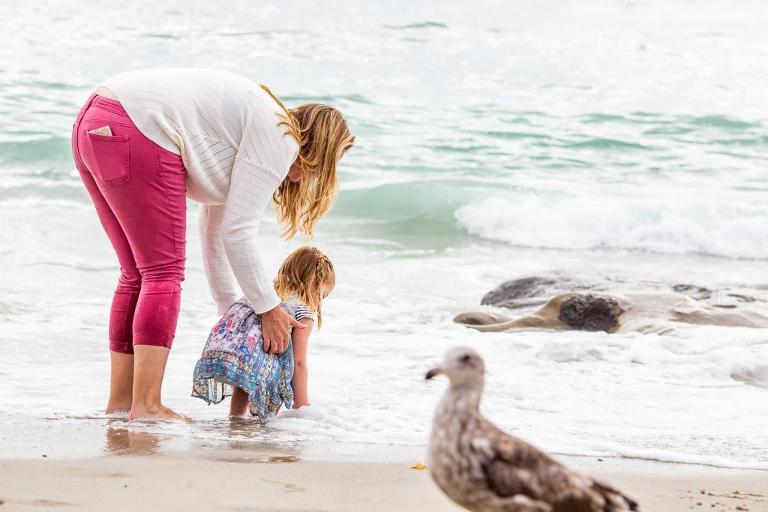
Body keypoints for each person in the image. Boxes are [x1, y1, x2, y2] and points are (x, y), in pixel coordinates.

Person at [70, 69, 354, 420]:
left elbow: (216, 231)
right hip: (140, 125)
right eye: (329, 164)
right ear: (319, 153)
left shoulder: (251, 132)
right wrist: (267, 309)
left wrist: (230, 310)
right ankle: (147, 406)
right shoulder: (281, 137)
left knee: (136, 274)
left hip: (96, 117)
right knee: (163, 273)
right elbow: (239, 232)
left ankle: (121, 404)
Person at [192, 246, 335, 418]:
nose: (320, 303)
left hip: (234, 350)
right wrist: (302, 405)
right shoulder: (304, 310)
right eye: (323, 295)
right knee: (282, 372)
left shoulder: (267, 295)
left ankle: (235, 421)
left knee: (245, 382)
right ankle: (266, 428)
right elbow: (298, 362)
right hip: (263, 356)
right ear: (314, 285)